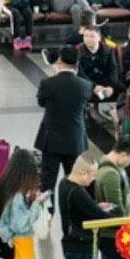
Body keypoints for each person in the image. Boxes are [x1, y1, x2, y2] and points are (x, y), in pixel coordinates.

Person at [34, 46, 93, 193]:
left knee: (47, 184)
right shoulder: (85, 86)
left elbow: (42, 103)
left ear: (59, 60)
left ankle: (48, 214)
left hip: (51, 140)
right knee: (74, 182)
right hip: (74, 139)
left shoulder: (47, 84)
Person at [57, 156, 113, 259]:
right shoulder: (77, 192)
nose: (92, 180)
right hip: (80, 246)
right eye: (92, 176)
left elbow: (84, 209)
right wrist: (121, 222)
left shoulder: (64, 183)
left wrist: (95, 207)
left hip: (70, 244)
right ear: (84, 173)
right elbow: (97, 215)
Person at [78, 25, 123, 100]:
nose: (88, 39)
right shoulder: (78, 51)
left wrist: (110, 86)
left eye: (92, 36)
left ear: (99, 38)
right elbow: (80, 73)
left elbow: (113, 70)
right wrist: (93, 86)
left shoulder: (108, 50)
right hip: (87, 82)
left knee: (123, 89)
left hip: (105, 81)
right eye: (85, 36)